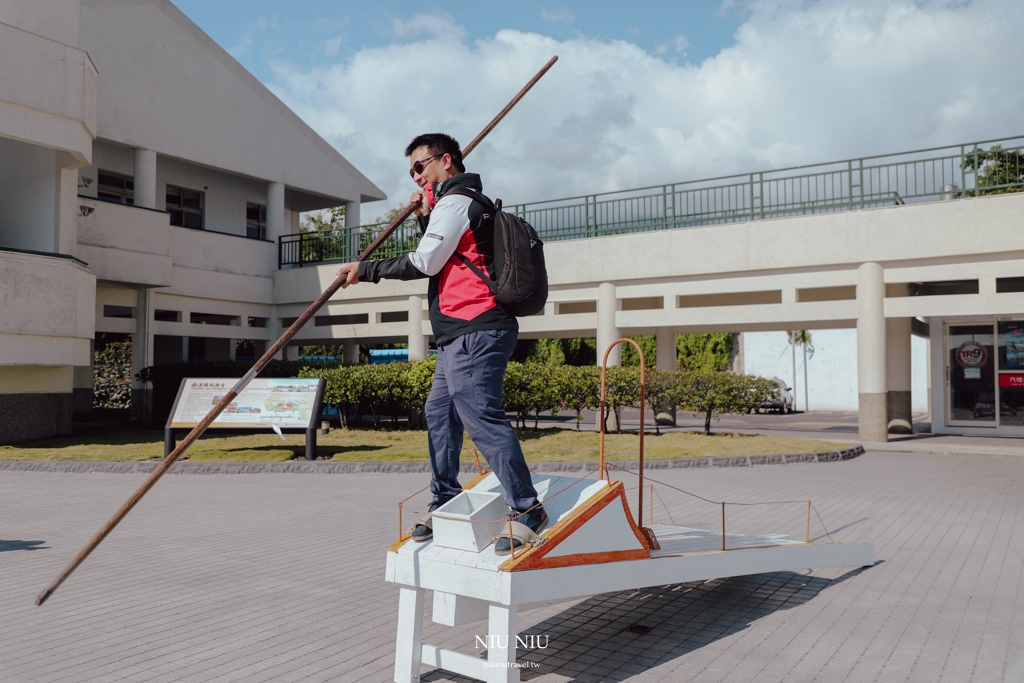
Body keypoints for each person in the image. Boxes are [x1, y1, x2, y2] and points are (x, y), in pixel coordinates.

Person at [336, 133, 546, 555]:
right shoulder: (451, 205)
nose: (416, 176)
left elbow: (426, 261)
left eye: (420, 166)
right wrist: (424, 214)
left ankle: (527, 509)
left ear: (445, 161)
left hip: (476, 326)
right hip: (458, 334)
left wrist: (367, 269)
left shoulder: (457, 201)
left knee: (481, 417)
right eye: (411, 171)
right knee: (440, 411)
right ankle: (445, 498)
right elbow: (447, 253)